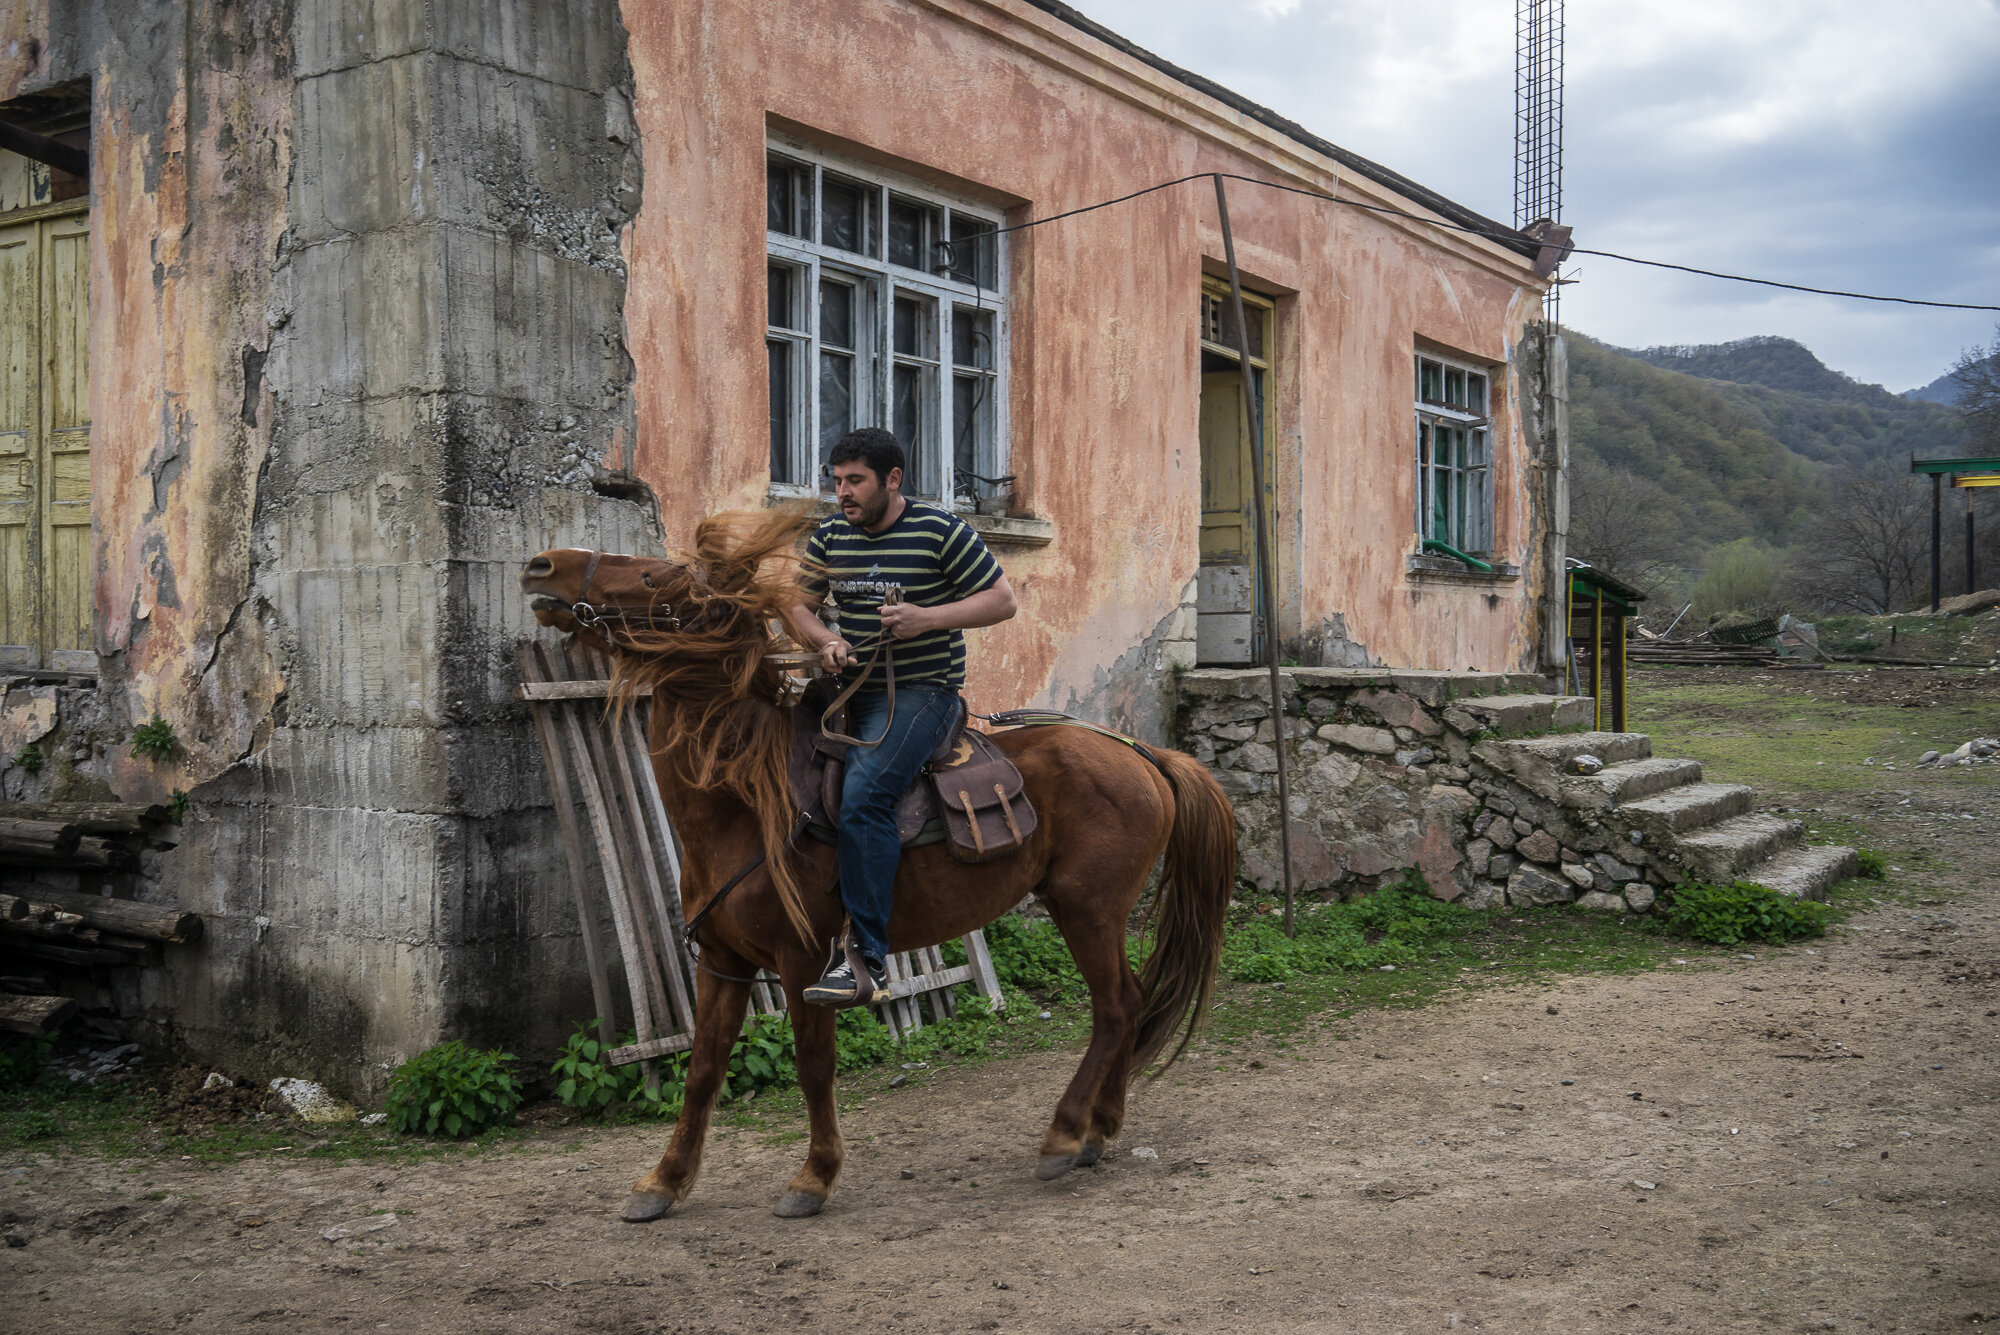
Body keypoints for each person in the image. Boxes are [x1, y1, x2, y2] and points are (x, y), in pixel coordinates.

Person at [785, 428, 1017, 1006]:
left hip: (922, 692)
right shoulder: (833, 533)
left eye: (855, 481)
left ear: (893, 479)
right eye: (837, 481)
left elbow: (1001, 600)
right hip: (844, 690)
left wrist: (927, 619)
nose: (843, 493)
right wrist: (823, 639)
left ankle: (867, 958)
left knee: (864, 793)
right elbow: (795, 603)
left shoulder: (941, 530)